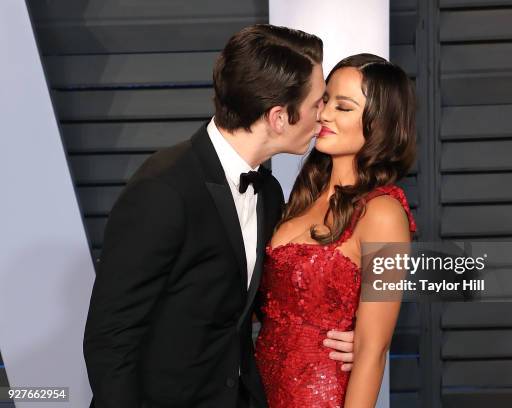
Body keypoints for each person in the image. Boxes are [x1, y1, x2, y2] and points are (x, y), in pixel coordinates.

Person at [83, 24, 355, 408]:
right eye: (317, 104)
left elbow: (266, 304)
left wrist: (355, 336)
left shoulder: (269, 191)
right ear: (279, 117)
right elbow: (110, 336)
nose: (323, 117)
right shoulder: (164, 189)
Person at [254, 54, 417, 407]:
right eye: (325, 100)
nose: (324, 113)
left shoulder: (383, 214)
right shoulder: (301, 198)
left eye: (343, 107)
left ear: (380, 123)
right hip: (259, 392)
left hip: (321, 397)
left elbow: (373, 354)